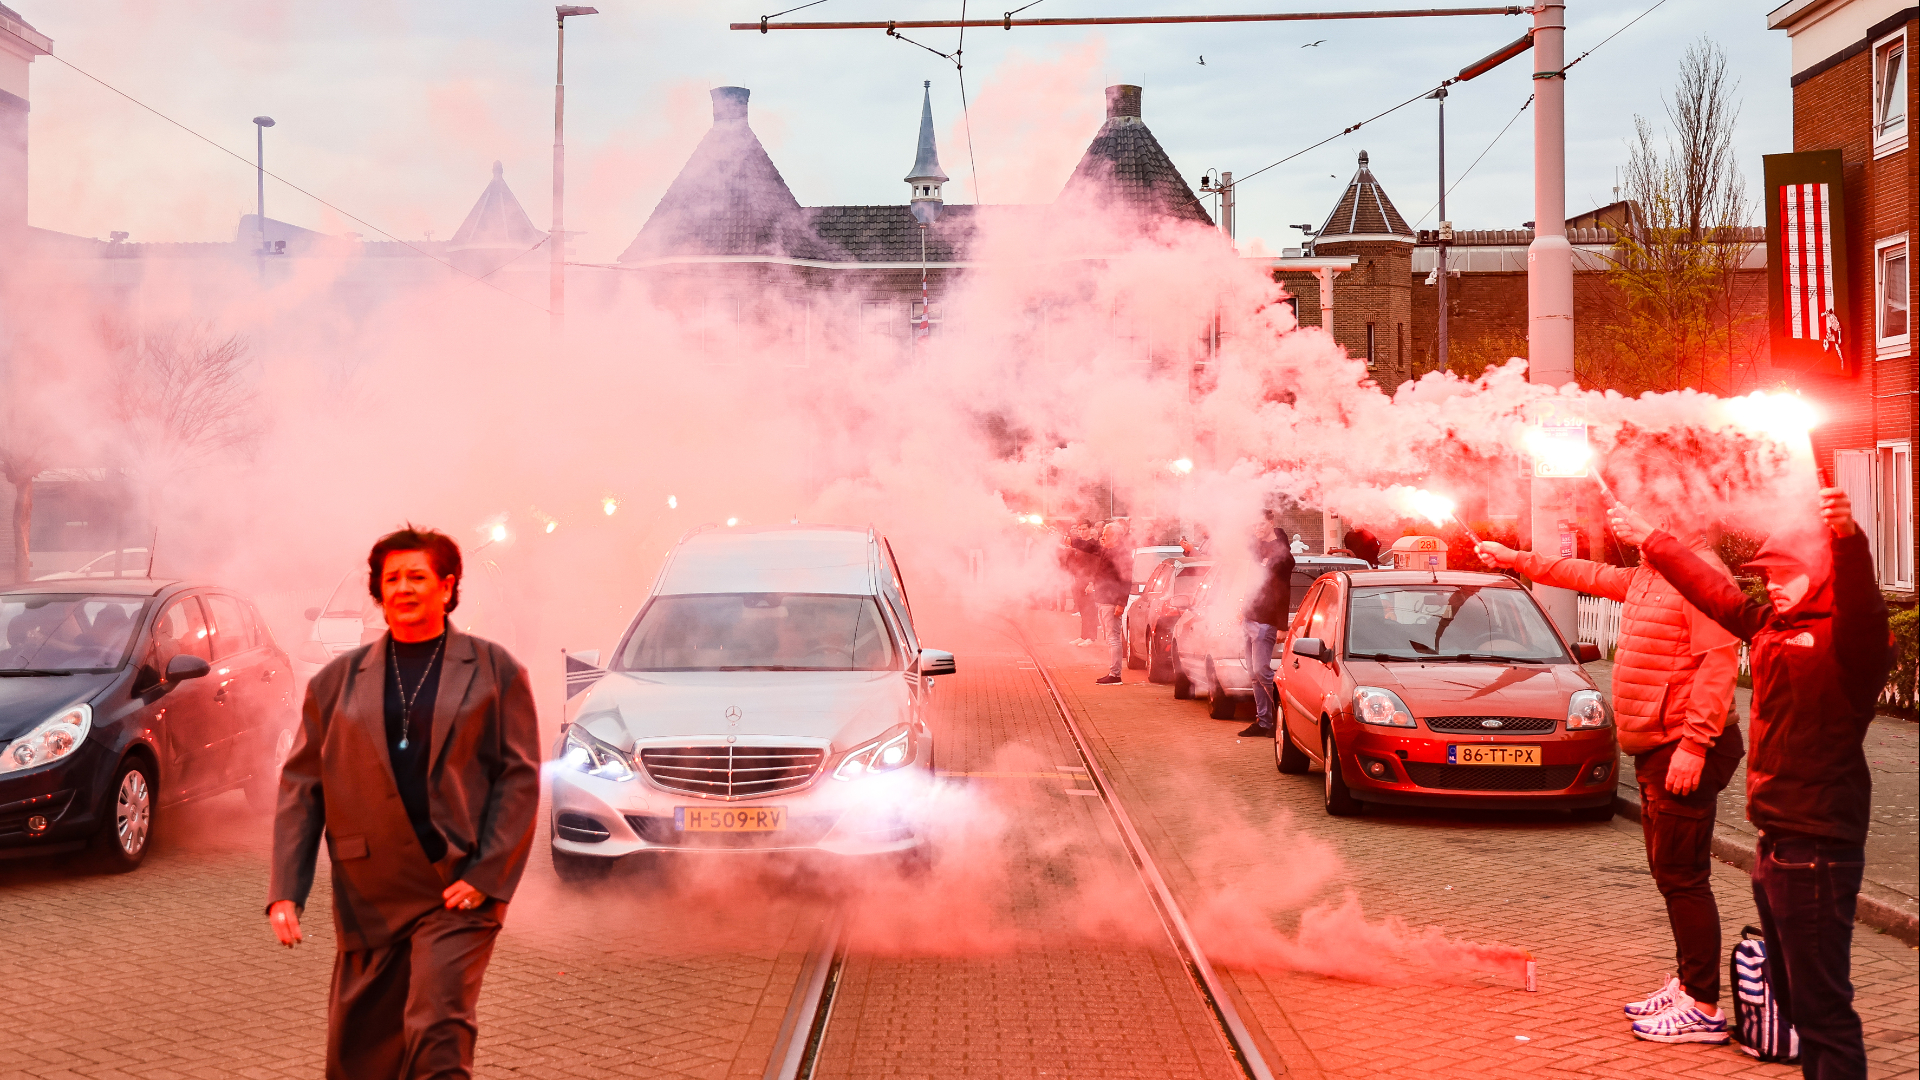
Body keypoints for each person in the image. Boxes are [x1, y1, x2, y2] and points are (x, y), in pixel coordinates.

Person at [1613, 489, 1890, 1079]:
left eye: (1789, 573)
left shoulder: (1849, 646)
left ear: (1820, 575)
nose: (1775, 585)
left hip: (1817, 850)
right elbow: (1712, 592)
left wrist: (1847, 537)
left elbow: (1864, 608)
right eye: (1769, 575)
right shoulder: (1767, 629)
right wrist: (1652, 541)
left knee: (1822, 1011)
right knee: (1792, 1001)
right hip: (1774, 844)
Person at [268, 527, 541, 1079]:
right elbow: (302, 789)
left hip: (459, 888)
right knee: (358, 1054)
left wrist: (490, 874)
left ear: (447, 587)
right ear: (378, 591)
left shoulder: (495, 671)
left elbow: (519, 780)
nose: (404, 588)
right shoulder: (334, 683)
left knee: (435, 1028)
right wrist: (285, 892)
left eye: (418, 577)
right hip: (371, 890)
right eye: (392, 578)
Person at [1476, 521, 1743, 1043]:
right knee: (1670, 874)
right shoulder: (1651, 571)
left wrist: (1695, 745)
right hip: (1656, 745)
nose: (1621, 517)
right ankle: (1689, 985)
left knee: (1684, 876)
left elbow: (1718, 662)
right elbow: (1587, 573)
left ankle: (1704, 1007)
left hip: (1683, 746)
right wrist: (1514, 557)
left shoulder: (1701, 573)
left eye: (1637, 507)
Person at [1239, 511, 1294, 738]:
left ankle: (1287, 717)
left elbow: (1282, 592)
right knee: (1253, 673)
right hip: (1250, 617)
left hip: (1266, 621)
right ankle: (1264, 722)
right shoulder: (1257, 548)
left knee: (1263, 671)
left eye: (1261, 524)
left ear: (1271, 522)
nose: (1257, 528)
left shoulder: (1283, 555)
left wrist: (1282, 625)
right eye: (1254, 524)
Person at [1073, 521, 1131, 685]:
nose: (1102, 538)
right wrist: (1066, 539)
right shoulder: (1108, 550)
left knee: (1113, 638)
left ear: (1115, 537)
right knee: (1110, 637)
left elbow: (1126, 580)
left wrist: (1121, 603)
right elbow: (1089, 548)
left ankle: (1115, 675)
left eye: (1105, 535)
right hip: (1105, 599)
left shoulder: (1121, 555)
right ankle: (1113, 673)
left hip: (1111, 601)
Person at [1061, 521, 1097, 646]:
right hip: (1078, 581)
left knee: (1089, 610)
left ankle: (1091, 637)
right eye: (1080, 529)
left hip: (1088, 582)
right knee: (1082, 609)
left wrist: (1092, 583)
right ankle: (1083, 635)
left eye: (1084, 529)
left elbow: (1095, 565)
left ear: (1090, 529)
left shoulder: (1093, 545)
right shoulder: (1078, 545)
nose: (1082, 532)